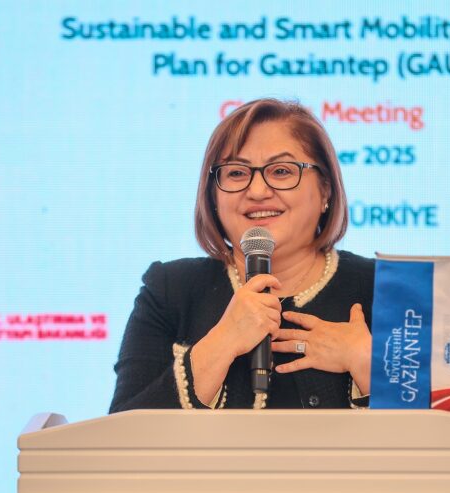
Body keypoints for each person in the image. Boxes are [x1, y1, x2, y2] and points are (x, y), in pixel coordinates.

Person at [109, 98, 374, 412]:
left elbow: (429, 428)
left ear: (325, 189)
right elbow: (124, 431)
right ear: (213, 194)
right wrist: (222, 342)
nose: (257, 191)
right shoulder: (171, 290)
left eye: (281, 171)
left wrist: (368, 365)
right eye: (236, 173)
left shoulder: (381, 289)